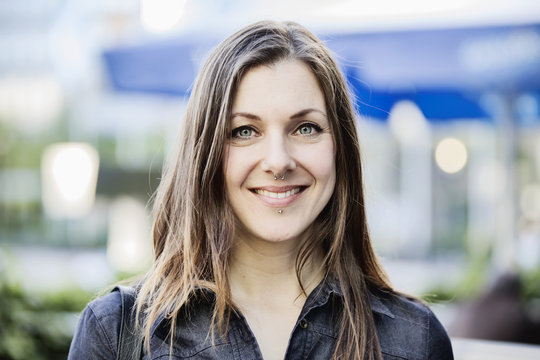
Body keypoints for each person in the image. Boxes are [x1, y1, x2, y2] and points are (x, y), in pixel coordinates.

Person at [68, 20, 453, 360]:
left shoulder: (414, 340)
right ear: (203, 154)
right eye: (244, 131)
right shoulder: (116, 333)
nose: (278, 161)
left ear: (342, 149)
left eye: (306, 128)